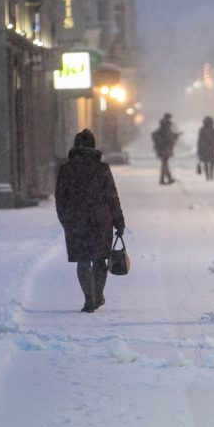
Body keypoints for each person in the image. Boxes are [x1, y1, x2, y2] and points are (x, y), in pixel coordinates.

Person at [55, 129, 125, 313]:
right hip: (100, 220)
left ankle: (89, 298)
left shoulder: (66, 169)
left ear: (76, 145)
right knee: (100, 260)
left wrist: (65, 218)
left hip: (76, 220)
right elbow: (112, 196)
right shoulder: (102, 169)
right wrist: (119, 221)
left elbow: (60, 197)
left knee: (83, 260)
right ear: (93, 146)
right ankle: (98, 295)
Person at [152, 113, 178, 185]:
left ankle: (164, 179)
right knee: (164, 164)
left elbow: (167, 136)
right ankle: (166, 179)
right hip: (164, 148)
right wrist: (174, 137)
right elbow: (167, 137)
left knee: (164, 164)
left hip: (163, 148)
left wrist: (174, 135)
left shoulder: (163, 126)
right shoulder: (166, 126)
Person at [197, 116, 214, 181]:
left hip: (205, 149)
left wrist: (200, 149)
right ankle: (211, 174)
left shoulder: (202, 130)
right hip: (212, 149)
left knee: (206, 162)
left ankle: (207, 175)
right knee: (212, 162)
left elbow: (200, 140)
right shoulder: (213, 129)